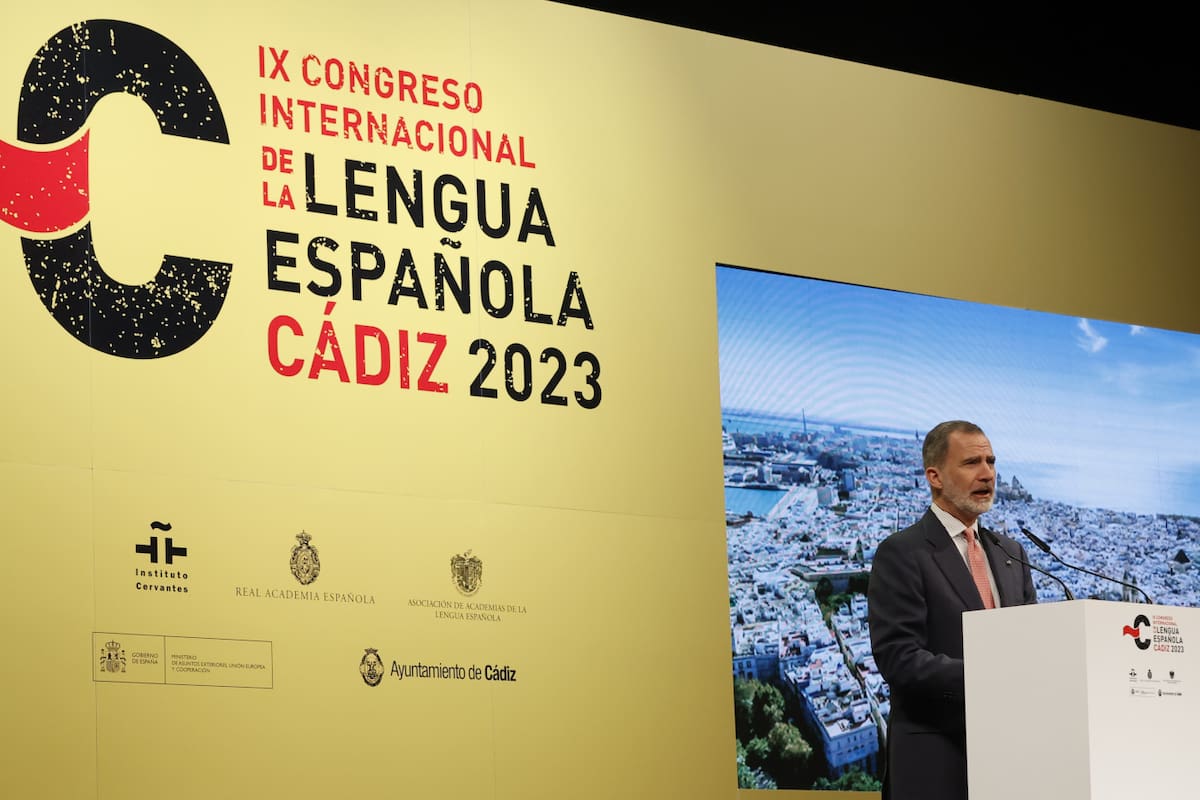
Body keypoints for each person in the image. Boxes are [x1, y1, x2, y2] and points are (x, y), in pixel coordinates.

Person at [868, 420, 1037, 800]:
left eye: (992, 462)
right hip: (936, 761)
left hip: (1013, 762)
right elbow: (899, 658)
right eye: (971, 462)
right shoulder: (902, 552)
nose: (988, 474)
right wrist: (990, 677)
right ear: (935, 476)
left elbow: (1032, 645)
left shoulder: (1013, 554)